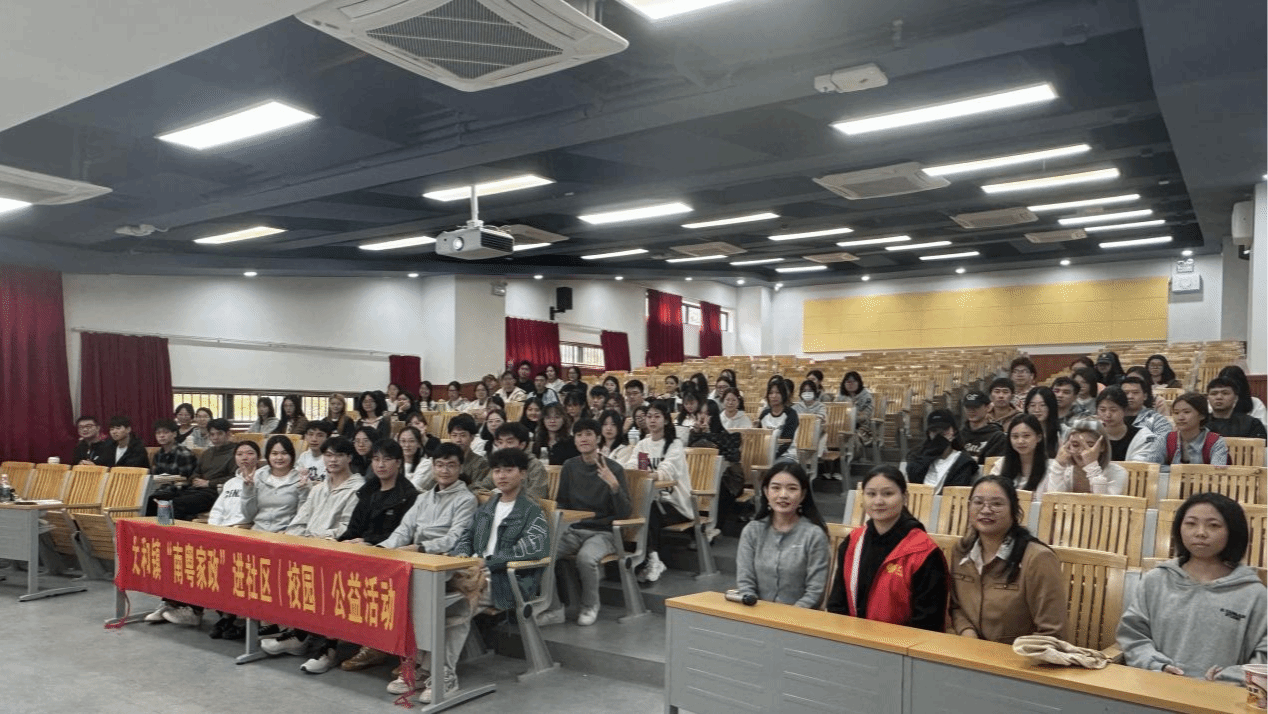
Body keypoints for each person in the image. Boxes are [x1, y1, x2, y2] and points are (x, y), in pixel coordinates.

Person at [414, 448, 548, 703]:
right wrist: (461, 558)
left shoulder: (531, 510)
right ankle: (424, 667)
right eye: (497, 470)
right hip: (473, 572)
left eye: (508, 470)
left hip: (508, 579)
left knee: (459, 604)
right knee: (427, 595)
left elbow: (532, 550)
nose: (502, 476)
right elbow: (466, 537)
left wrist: (488, 562)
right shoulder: (489, 506)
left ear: (522, 474)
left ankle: (444, 676)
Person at [1117, 492, 1268, 682]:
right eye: (1191, 523)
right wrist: (1157, 665)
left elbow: (1263, 656)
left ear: (1233, 531)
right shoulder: (1155, 581)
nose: (1200, 532)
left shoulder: (1254, 594)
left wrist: (1230, 677)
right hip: (1156, 686)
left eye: (1214, 525)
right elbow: (1133, 635)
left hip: (1222, 694)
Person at [263, 437, 367, 670]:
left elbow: (346, 527)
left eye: (338, 455)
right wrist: (293, 539)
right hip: (308, 548)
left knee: (324, 580)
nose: (332, 460)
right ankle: (298, 634)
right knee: (281, 564)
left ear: (349, 458)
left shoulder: (358, 489)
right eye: (328, 455)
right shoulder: (319, 488)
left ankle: (328, 648)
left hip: (335, 551)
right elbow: (301, 519)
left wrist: (316, 540)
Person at [330, 439, 421, 672]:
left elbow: (400, 535)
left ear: (398, 463)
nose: (381, 465)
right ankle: (326, 638)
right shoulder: (368, 490)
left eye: (387, 459)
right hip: (360, 550)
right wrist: (344, 542)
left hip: (388, 556)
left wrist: (369, 542)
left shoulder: (408, 495)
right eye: (376, 459)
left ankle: (373, 646)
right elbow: (354, 527)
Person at [826, 466, 947, 631]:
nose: (878, 501)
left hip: (902, 643)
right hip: (852, 637)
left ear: (905, 497)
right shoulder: (853, 541)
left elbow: (928, 622)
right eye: (871, 494)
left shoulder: (925, 552)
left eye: (888, 494)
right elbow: (837, 603)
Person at [948, 475, 1067, 643]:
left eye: (997, 504)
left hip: (1019, 654)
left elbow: (1052, 632)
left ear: (1014, 510)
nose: (986, 510)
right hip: (969, 649)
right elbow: (956, 607)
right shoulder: (961, 551)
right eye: (978, 502)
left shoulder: (1038, 558)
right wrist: (968, 633)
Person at [546, 418, 632, 626]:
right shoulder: (570, 466)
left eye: (588, 434)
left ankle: (590, 605)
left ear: (598, 438)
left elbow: (625, 513)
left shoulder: (614, 468)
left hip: (604, 532)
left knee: (586, 559)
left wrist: (614, 486)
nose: (583, 439)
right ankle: (554, 608)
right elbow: (562, 503)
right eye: (579, 435)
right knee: (543, 552)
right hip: (574, 529)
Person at [735, 463, 829, 608]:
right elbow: (745, 582)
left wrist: (787, 617)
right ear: (766, 492)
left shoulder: (814, 535)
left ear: (803, 494)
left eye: (792, 488)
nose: (783, 495)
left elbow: (815, 591)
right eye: (776, 488)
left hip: (800, 617)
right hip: (755, 612)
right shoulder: (752, 531)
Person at [622, 401, 690, 583]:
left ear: (666, 420)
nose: (652, 420)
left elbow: (667, 470)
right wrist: (636, 473)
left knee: (648, 511)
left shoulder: (674, 444)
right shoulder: (643, 444)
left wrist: (649, 475)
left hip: (675, 503)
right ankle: (648, 557)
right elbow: (633, 465)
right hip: (652, 499)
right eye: (649, 416)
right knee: (635, 508)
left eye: (657, 416)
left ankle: (652, 559)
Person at [145, 418, 235, 518]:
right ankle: (151, 527)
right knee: (152, 500)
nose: (215, 437)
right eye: (212, 434)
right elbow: (195, 472)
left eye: (219, 434)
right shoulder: (207, 453)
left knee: (174, 503)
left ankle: (172, 526)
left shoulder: (236, 453)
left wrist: (209, 483)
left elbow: (235, 477)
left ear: (228, 434)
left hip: (216, 492)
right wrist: (195, 479)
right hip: (196, 489)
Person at [1045, 418, 1127, 497]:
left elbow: (1103, 504)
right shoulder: (1061, 470)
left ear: (1102, 447)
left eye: (1089, 445)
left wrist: (1092, 468)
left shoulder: (1118, 473)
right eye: (1075, 445)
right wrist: (1059, 467)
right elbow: (1054, 501)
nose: (1082, 451)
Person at [242, 435, 307, 533]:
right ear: (268, 456)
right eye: (274, 453)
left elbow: (303, 516)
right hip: (258, 531)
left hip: (286, 534)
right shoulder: (257, 476)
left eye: (284, 453)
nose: (279, 458)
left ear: (292, 455)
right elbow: (248, 516)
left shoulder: (301, 479)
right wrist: (248, 490)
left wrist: (304, 490)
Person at [905, 409, 978, 494]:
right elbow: (913, 479)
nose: (939, 435)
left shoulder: (964, 462)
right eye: (934, 431)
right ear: (929, 434)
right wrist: (930, 454)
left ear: (954, 432)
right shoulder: (917, 456)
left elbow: (956, 491)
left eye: (944, 430)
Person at [472, 422, 548, 499]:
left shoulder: (535, 465)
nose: (503, 447)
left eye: (509, 442)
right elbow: (481, 486)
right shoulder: (499, 464)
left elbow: (537, 496)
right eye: (500, 442)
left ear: (522, 445)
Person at [989, 414, 1056, 495]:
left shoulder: (1052, 468)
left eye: (1026, 436)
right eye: (1015, 437)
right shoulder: (1000, 465)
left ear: (1039, 437)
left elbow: (1054, 496)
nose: (1020, 441)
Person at [1096, 386, 1164, 463]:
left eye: (1113, 410)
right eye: (1102, 410)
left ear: (1125, 410)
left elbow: (1138, 467)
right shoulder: (1092, 434)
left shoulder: (1143, 436)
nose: (1108, 415)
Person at [1166, 393, 1229, 466]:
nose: (1180, 417)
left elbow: (1216, 471)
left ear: (1202, 415)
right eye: (1176, 413)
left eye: (1186, 412)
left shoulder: (1216, 442)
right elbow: (1154, 466)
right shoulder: (1166, 439)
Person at [959, 390, 1007, 465]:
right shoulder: (959, 435)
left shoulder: (996, 437)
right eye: (968, 407)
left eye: (976, 407)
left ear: (988, 407)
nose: (971, 411)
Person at [1121, 376, 1175, 442]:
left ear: (1145, 396)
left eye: (1135, 392)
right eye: (1126, 393)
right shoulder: (1114, 418)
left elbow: (1162, 440)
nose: (1130, 396)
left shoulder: (1156, 420)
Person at [447, 414, 490, 489]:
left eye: (463, 435)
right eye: (454, 435)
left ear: (472, 437)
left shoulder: (481, 464)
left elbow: (476, 489)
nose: (458, 440)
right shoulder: (445, 460)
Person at [759, 381, 799, 459]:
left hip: (786, 455)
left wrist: (772, 457)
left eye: (778, 393)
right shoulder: (764, 413)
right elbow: (759, 438)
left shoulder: (791, 414)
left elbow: (786, 442)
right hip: (765, 454)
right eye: (771, 393)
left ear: (783, 395)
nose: (774, 396)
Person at [837, 371, 875, 448]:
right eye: (848, 382)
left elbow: (865, 416)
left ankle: (850, 454)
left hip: (861, 428)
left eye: (853, 382)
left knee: (849, 436)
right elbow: (836, 413)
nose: (850, 384)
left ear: (859, 383)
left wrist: (850, 414)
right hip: (841, 426)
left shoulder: (866, 397)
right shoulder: (840, 397)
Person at [1022, 386, 1061, 457]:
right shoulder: (1019, 430)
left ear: (1051, 407)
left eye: (1043, 405)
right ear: (1027, 408)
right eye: (1033, 405)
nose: (1037, 410)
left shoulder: (1062, 432)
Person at [295, 420, 332, 486]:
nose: (314, 439)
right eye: (310, 434)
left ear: (328, 438)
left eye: (320, 435)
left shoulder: (332, 458)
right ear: (305, 436)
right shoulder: (304, 456)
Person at [396, 425, 432, 491]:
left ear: (419, 443)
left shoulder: (426, 464)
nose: (407, 445)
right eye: (403, 441)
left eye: (411, 441)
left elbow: (412, 488)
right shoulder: (395, 463)